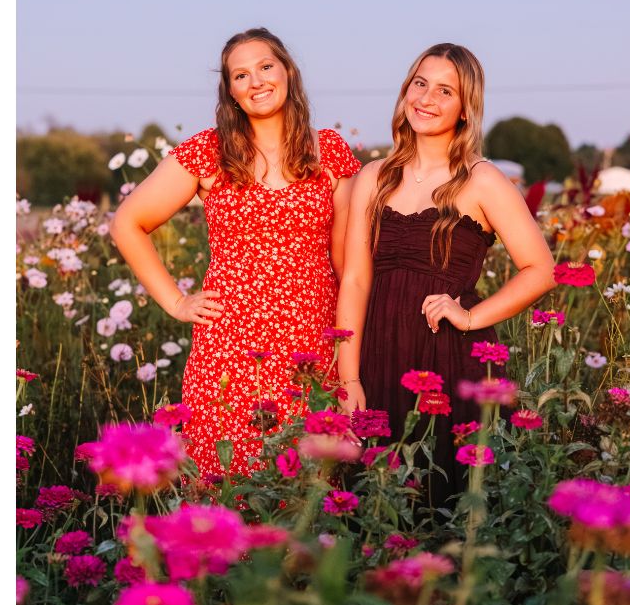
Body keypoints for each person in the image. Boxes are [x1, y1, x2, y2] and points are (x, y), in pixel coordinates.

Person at [108, 27, 360, 480]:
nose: (256, 81)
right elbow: (127, 223)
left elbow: (349, 268)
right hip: (229, 349)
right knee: (226, 477)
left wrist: (350, 359)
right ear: (230, 90)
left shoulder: (331, 152)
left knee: (304, 486)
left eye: (265, 67)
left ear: (288, 72)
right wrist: (177, 302)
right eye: (240, 75)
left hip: (312, 346)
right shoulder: (209, 152)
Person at [335, 44, 554, 515]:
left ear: (464, 107)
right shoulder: (373, 177)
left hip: (448, 360)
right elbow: (354, 279)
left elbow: (541, 269)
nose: (427, 98)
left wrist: (471, 317)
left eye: (444, 90)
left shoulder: (482, 180)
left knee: (445, 504)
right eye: (420, 84)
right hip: (376, 355)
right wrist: (348, 376)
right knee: (375, 508)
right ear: (404, 91)